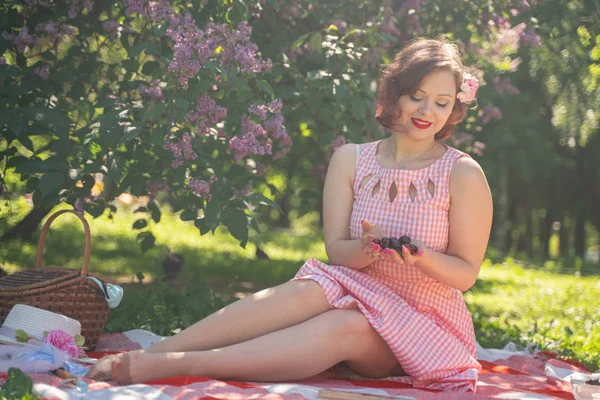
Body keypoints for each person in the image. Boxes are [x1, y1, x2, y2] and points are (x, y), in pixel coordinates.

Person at [87, 37, 493, 392]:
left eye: (441, 102)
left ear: (455, 105)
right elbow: (337, 254)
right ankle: (161, 350)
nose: (427, 111)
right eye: (416, 96)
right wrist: (367, 248)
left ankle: (181, 366)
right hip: (355, 292)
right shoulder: (351, 159)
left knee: (343, 326)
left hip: (420, 323)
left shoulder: (461, 172)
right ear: (395, 94)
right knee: (308, 287)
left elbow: (466, 273)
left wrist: (420, 255)